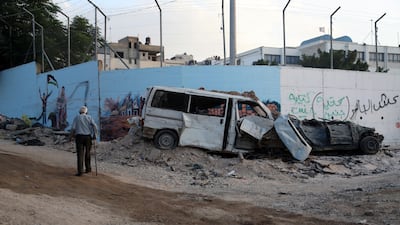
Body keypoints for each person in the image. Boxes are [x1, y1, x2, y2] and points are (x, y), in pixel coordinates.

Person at [70, 106, 98, 176]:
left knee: (80, 154)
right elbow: (95, 126)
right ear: (86, 112)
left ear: (79, 112)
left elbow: (73, 128)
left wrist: (71, 136)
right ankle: (88, 169)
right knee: (87, 153)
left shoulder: (77, 117)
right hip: (88, 137)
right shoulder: (89, 117)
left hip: (79, 137)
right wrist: (95, 135)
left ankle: (80, 171)